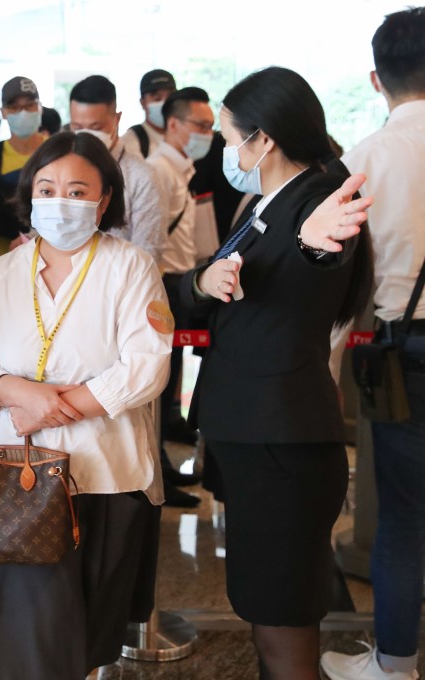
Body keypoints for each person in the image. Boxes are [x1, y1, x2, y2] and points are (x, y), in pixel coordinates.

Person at [179, 66, 374, 680]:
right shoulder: (264, 200)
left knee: (283, 612)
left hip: (283, 438)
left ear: (263, 138)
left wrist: (315, 248)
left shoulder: (319, 201)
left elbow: (315, 259)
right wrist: (204, 280)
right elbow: (218, 284)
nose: (227, 149)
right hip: (256, 432)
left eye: (233, 135)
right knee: (267, 600)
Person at [0, 131, 171, 678]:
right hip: (20, 480)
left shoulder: (131, 267)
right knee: (31, 639)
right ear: (30, 195)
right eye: (47, 188)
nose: (61, 201)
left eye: (78, 191)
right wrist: (20, 394)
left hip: (106, 473)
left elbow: (146, 365)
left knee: (92, 635)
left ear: (103, 201)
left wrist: (55, 407)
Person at [321, 8, 425, 680]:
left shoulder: (361, 162)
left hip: (404, 354)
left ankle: (395, 665)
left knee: (405, 517)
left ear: (375, 79)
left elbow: (332, 274)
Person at [147, 86, 218, 507]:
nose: (207, 133)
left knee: (170, 381)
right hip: (164, 285)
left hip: (179, 281)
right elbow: (151, 241)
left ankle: (164, 467)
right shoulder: (159, 171)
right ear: (174, 124)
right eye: (201, 125)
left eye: (210, 126)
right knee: (159, 383)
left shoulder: (181, 169)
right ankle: (156, 477)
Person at [67, 75, 165, 262]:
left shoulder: (142, 176)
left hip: (121, 284)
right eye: (77, 126)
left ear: (116, 119)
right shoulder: (61, 169)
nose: (86, 135)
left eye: (96, 127)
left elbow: (148, 254)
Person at [0, 77, 47, 256]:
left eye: (29, 105)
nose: (22, 113)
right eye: (14, 107)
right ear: (3, 112)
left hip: (56, 261)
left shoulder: (59, 152)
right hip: (4, 263)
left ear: (39, 108)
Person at [122, 69, 177, 159]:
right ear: (143, 103)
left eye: (170, 97)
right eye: (157, 98)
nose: (165, 103)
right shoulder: (131, 142)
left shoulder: (185, 137)